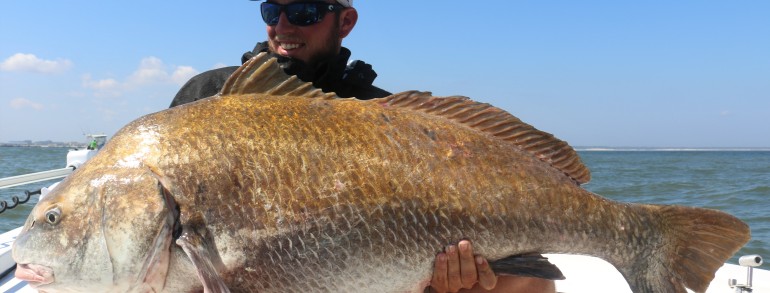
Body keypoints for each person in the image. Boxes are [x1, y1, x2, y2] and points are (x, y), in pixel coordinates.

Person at [171, 1, 556, 292]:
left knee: (524, 285)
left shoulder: (384, 113)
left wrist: (450, 281)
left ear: (346, 21)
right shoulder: (206, 96)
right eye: (272, 11)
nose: (283, 25)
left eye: (305, 11)